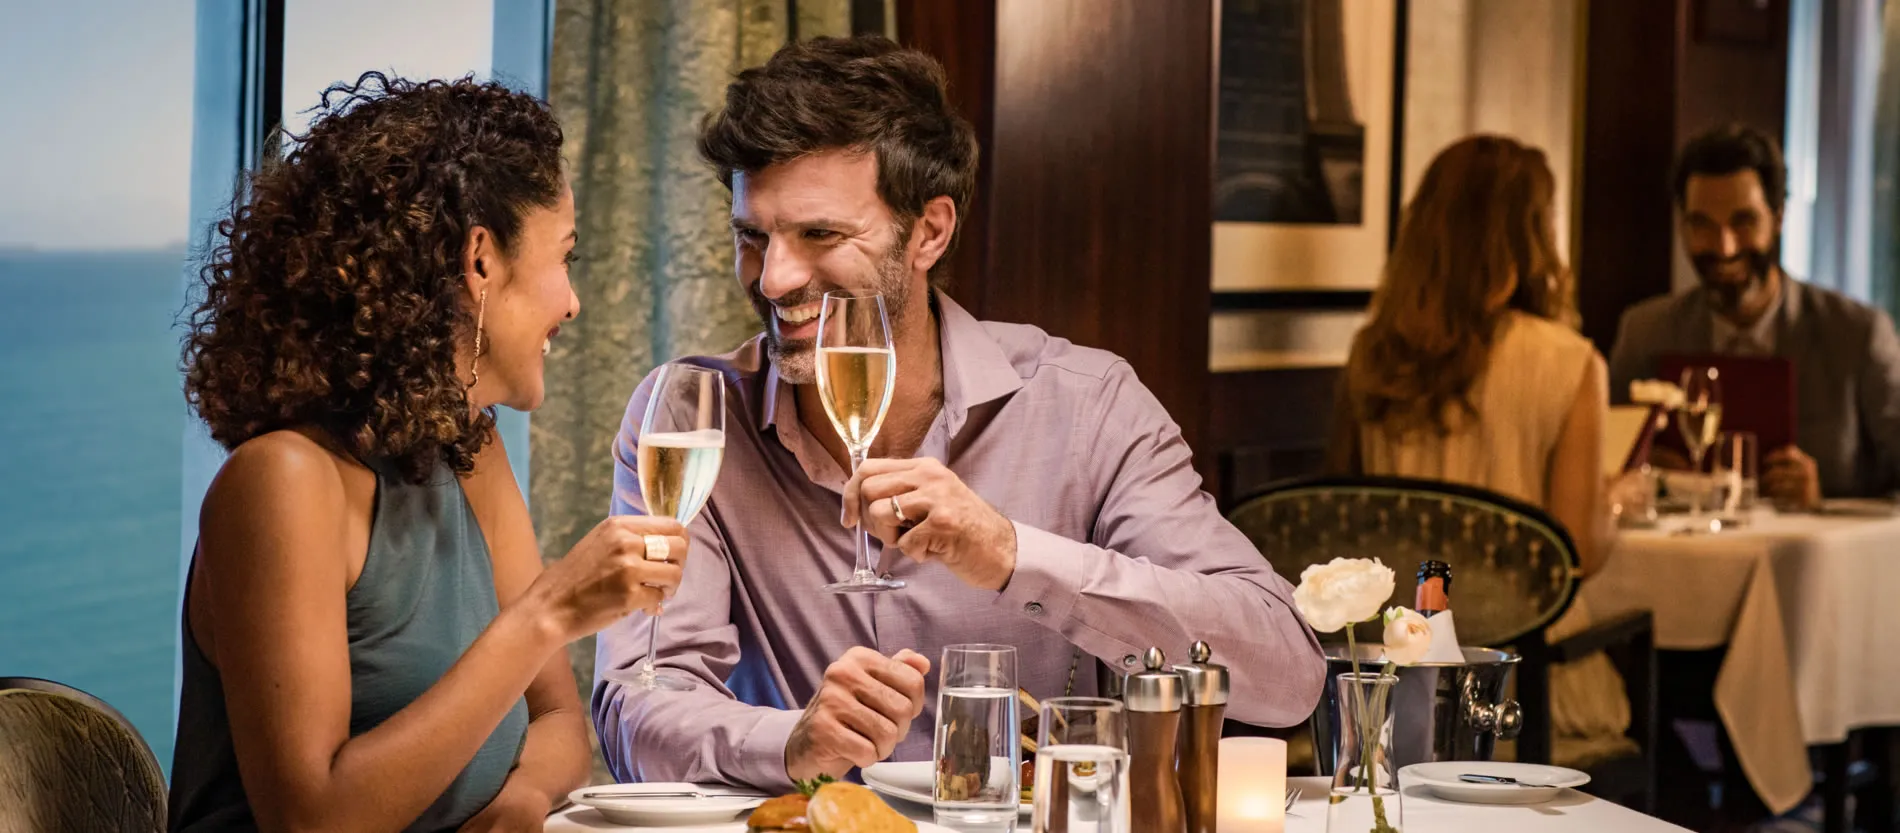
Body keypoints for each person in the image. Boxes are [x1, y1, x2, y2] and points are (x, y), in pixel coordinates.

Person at [593, 36, 1325, 790]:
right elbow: (636, 700)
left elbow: (1286, 674)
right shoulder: (689, 418)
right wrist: (790, 742)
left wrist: (1015, 556)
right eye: (753, 237)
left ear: (930, 231)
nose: (774, 279)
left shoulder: (1087, 404)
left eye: (820, 235)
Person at [169, 73, 689, 832]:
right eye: (565, 257)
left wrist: (519, 803)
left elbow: (560, 727)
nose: (572, 301)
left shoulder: (468, 449)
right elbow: (314, 818)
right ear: (481, 260)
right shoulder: (281, 482)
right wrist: (546, 614)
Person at [1331, 135, 1609, 577]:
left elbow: (1345, 520)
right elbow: (1576, 554)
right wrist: (1609, 503)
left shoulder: (1374, 351)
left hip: (1406, 631)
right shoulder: (1572, 362)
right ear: (1536, 235)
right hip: (1524, 638)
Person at [1608, 124, 1900, 508]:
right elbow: (1603, 467)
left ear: (1778, 219)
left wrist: (1822, 500)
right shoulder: (1646, 332)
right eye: (1702, 225)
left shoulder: (1856, 335)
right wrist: (1643, 469)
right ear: (1681, 226)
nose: (1724, 246)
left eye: (1743, 222)